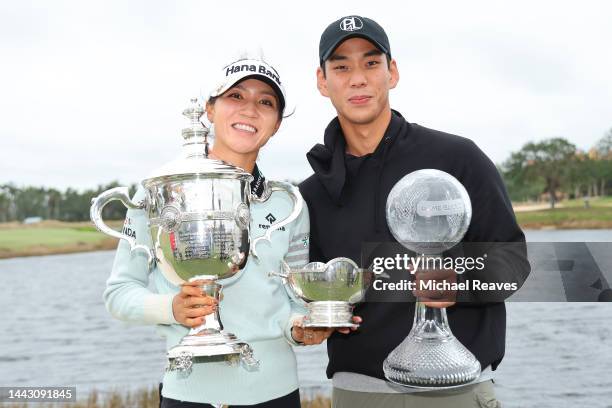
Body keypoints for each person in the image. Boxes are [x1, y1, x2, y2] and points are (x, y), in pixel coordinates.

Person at [299, 16, 531, 407]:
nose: (358, 78)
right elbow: (309, 295)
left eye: (371, 63)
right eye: (341, 66)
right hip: (358, 393)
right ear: (323, 81)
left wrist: (461, 282)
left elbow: (513, 261)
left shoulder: (458, 158)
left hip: (455, 390)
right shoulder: (311, 194)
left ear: (392, 72)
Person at [104, 57, 328, 408]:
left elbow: (295, 301)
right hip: (188, 393)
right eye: (236, 96)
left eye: (265, 102)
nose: (250, 109)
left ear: (277, 124)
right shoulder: (160, 193)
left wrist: (300, 327)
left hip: (278, 395)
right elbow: (119, 293)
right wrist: (171, 308)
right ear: (210, 110)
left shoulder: (288, 203)